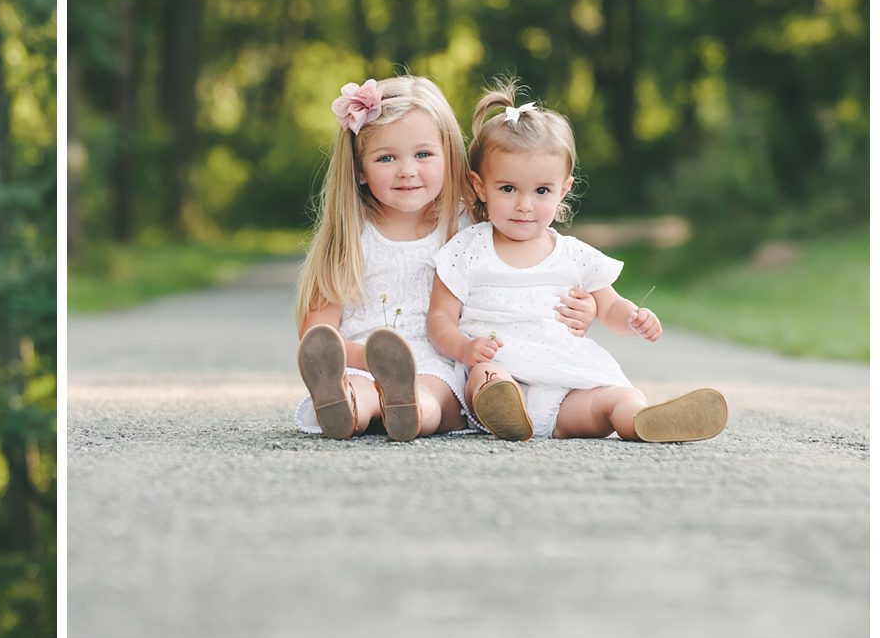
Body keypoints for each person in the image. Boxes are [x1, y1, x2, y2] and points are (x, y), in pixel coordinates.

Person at [293, 74, 595, 441]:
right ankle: (348, 405)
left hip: (439, 363)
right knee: (358, 386)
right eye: (386, 157)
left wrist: (584, 308)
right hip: (360, 362)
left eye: (423, 154)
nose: (407, 170)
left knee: (431, 395)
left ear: (448, 153)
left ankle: (404, 408)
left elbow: (526, 278)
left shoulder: (469, 227)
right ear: (359, 169)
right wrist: (370, 361)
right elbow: (317, 336)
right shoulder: (349, 239)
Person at [428, 87, 728, 442]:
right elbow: (440, 318)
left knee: (612, 397)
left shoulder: (574, 255)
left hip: (565, 385)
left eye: (541, 191)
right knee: (486, 375)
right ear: (480, 187)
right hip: (500, 372)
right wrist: (464, 349)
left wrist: (634, 318)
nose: (524, 205)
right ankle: (506, 409)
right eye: (508, 189)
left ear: (563, 190)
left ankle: (640, 418)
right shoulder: (467, 249)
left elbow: (609, 307)